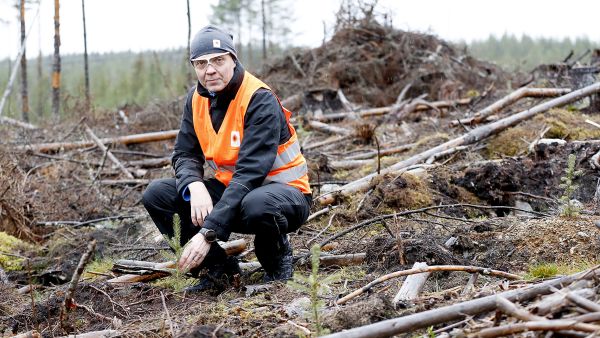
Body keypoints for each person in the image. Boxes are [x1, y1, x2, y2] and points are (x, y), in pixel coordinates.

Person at [142, 25, 312, 293]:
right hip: (235, 194)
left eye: (218, 60)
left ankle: (277, 262)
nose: (210, 70)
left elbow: (249, 173)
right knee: (157, 194)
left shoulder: (258, 98)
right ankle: (219, 270)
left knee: (259, 204)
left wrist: (208, 232)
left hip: (284, 196)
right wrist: (193, 185)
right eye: (201, 63)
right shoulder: (196, 99)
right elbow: (185, 153)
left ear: (233, 59)